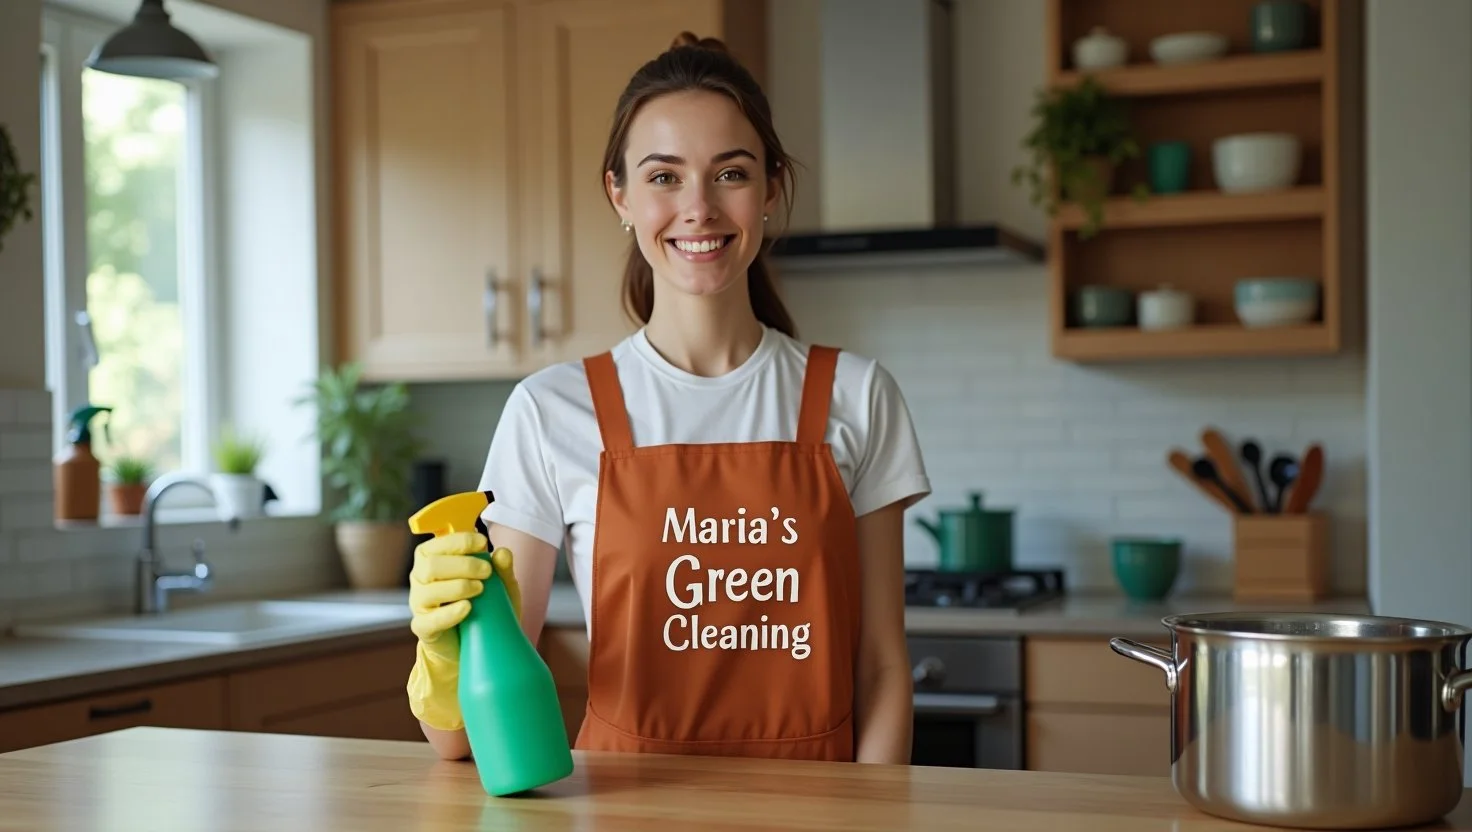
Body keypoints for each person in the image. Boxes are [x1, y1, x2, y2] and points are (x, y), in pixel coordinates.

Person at [405, 31, 931, 767]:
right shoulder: (550, 410)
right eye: (664, 177)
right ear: (618, 193)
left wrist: (871, 819)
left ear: (771, 188)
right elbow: (459, 742)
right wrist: (443, 652)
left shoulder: (858, 395)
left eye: (731, 173)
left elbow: (881, 669)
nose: (699, 208)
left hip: (819, 817)